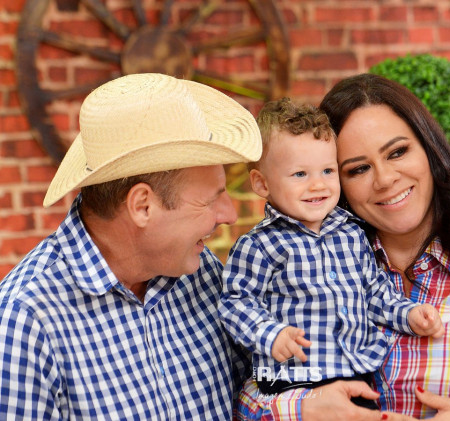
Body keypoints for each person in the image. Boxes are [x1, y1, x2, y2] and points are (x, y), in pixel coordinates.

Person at [235, 73, 450, 420]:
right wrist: (300, 408)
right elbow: (242, 394)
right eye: (358, 169)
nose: (385, 179)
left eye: (398, 152)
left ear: (430, 150)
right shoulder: (295, 270)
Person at [0, 72, 262, 419]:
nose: (229, 214)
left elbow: (254, 394)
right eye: (211, 199)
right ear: (142, 206)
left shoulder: (201, 272)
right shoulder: (25, 321)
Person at [219, 98, 444, 409]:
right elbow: (236, 301)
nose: (318, 185)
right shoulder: (260, 245)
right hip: (294, 380)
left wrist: (408, 314)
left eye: (327, 170)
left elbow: (373, 291)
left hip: (356, 371)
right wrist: (271, 334)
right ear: (262, 183)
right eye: (300, 174)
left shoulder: (352, 235)